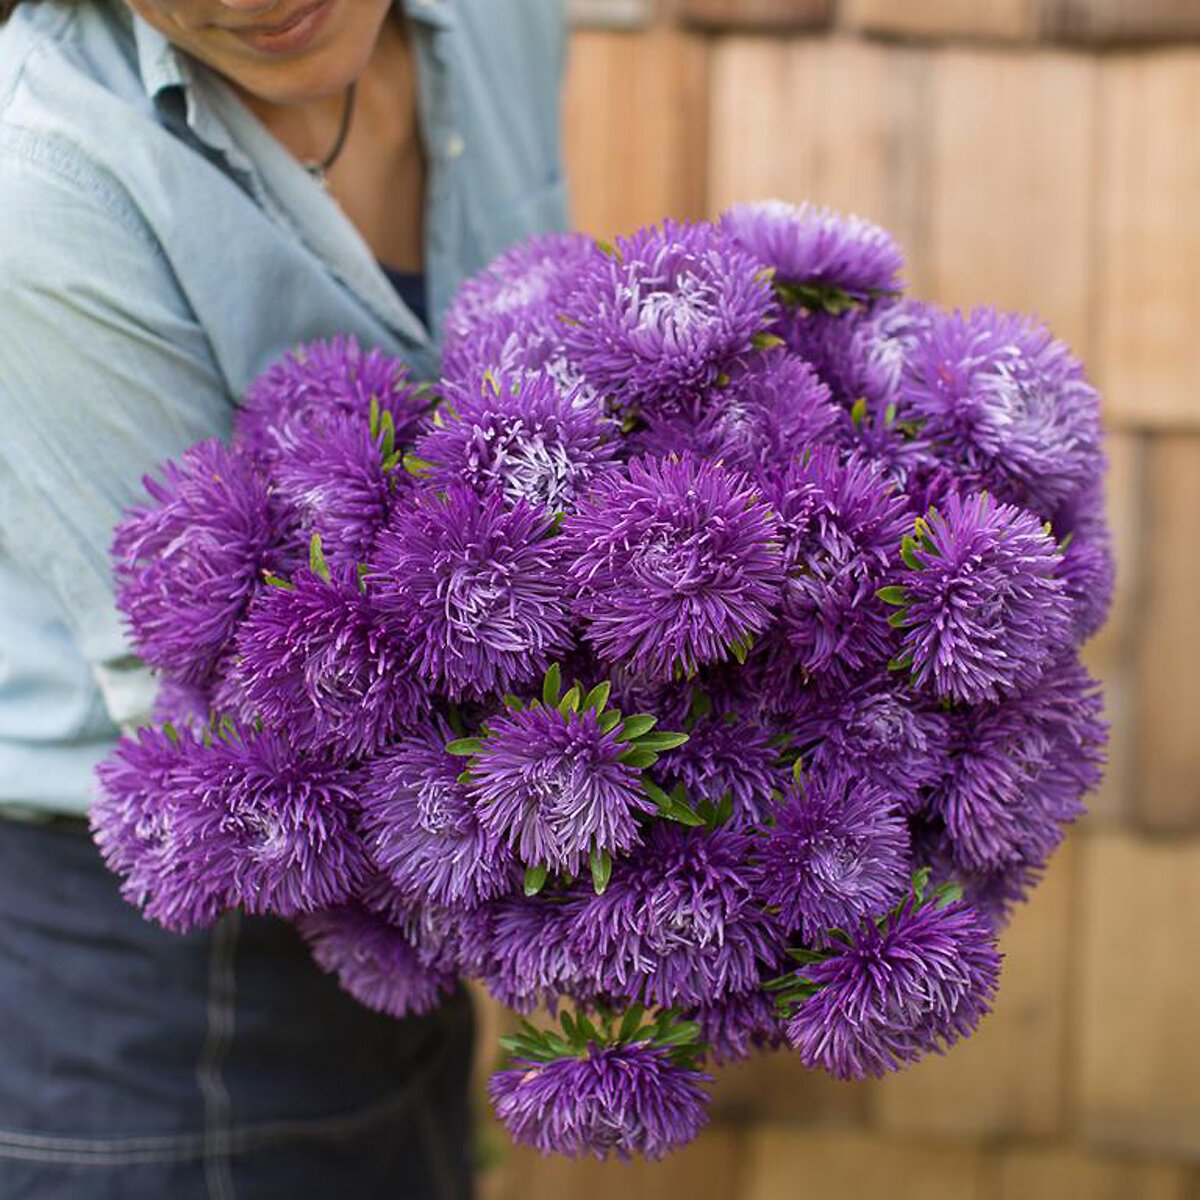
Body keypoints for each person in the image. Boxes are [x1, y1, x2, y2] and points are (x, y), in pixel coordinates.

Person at [0, 0, 569, 1195]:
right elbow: (217, 715)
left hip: (418, 923)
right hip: (148, 981)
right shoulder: (44, 173)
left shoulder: (502, 16)